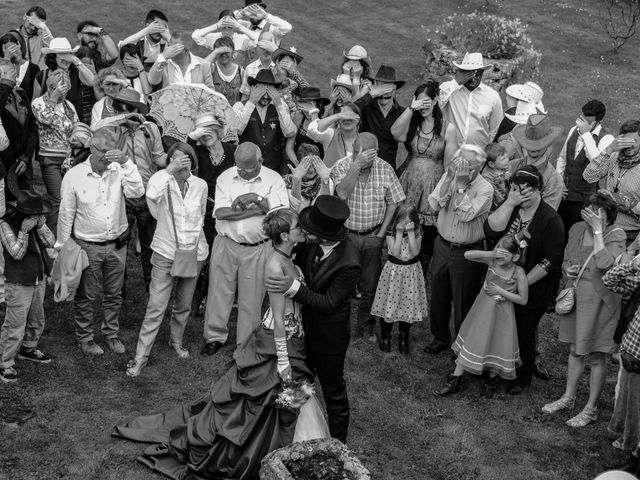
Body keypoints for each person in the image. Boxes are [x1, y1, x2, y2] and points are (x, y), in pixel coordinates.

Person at [114, 208, 329, 479]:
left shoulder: (287, 255)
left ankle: (299, 447)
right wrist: (284, 362)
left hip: (293, 335)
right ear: (285, 235)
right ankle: (278, 448)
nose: (304, 229)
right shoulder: (275, 265)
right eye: (299, 225)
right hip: (278, 340)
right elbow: (276, 317)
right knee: (272, 395)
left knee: (290, 396)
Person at [266, 195, 361, 443]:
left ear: (325, 235)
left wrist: (293, 287)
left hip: (329, 338)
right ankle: (293, 434)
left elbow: (328, 303)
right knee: (298, 384)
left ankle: (339, 444)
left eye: (310, 230)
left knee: (334, 393)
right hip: (300, 333)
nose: (305, 232)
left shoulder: (350, 262)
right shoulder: (309, 244)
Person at [56, 127, 144, 356]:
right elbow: (66, 214)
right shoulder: (74, 176)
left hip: (117, 244)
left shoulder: (119, 169)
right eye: (104, 151)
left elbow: (137, 191)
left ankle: (110, 334)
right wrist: (62, 248)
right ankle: (85, 338)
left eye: (112, 151)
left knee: (114, 294)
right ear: (92, 148)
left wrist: (126, 162)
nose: (108, 156)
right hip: (88, 246)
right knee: (87, 295)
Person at [126, 143, 208, 377]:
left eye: (186, 159)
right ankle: (141, 356)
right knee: (156, 307)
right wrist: (169, 170)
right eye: (176, 159)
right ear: (169, 161)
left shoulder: (200, 185)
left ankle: (176, 341)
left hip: (194, 253)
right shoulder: (161, 181)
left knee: (183, 305)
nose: (182, 163)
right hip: (165, 253)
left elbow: (201, 216)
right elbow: (150, 195)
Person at [542, 193, 625, 426]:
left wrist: (598, 231)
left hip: (600, 301)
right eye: (590, 210)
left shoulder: (615, 234)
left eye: (599, 212)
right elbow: (567, 259)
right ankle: (568, 397)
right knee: (574, 350)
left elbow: (605, 264)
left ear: (608, 216)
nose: (593, 215)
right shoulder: (577, 228)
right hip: (577, 295)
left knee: (598, 355)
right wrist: (568, 269)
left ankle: (591, 409)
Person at [201, 142, 288, 356]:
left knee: (252, 296)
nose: (244, 173)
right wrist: (258, 210)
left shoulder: (273, 179)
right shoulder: (226, 177)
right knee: (219, 292)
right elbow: (221, 213)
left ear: (260, 160)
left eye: (249, 169)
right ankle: (214, 336)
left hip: (258, 247)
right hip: (226, 243)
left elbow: (281, 213)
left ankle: (246, 341)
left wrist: (256, 199)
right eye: (240, 168)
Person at [484, 165, 565, 395]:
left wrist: (521, 284)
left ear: (538, 189)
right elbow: (490, 231)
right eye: (515, 190)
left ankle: (523, 375)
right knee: (501, 325)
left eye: (525, 190)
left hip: (533, 286)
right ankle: (497, 366)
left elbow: (550, 261)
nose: (520, 194)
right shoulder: (511, 207)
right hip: (502, 279)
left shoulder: (551, 220)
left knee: (523, 329)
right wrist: (509, 202)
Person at [434, 230, 529, 397]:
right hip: (482, 309)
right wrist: (491, 253)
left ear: (515, 257)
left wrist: (502, 292)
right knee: (473, 338)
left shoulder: (518, 272)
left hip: (502, 314)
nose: (499, 258)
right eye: (497, 254)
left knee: (497, 342)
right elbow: (468, 255)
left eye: (504, 255)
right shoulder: (493, 261)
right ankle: (456, 378)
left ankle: (491, 380)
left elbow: (523, 299)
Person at [331, 132, 405, 341]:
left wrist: (382, 231)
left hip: (373, 235)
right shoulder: (343, 165)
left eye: (366, 155)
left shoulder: (385, 168)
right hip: (348, 236)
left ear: (376, 153)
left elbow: (395, 200)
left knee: (370, 286)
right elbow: (342, 193)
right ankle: (340, 324)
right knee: (342, 284)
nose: (360, 157)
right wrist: (355, 166)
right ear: (353, 149)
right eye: (356, 152)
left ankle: (366, 325)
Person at [425, 144, 493, 354]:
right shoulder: (451, 175)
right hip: (443, 246)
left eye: (468, 164)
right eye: (459, 162)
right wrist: (448, 179)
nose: (462, 167)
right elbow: (434, 205)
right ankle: (440, 338)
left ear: (480, 166)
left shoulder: (485, 189)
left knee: (464, 301)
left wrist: (461, 187)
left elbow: (465, 215)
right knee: (438, 295)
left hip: (467, 252)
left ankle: (462, 345)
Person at [0, 191, 55, 384]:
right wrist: (23, 232)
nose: (39, 217)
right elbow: (16, 253)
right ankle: (5, 363)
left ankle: (28, 349)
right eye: (36, 215)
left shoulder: (37, 223)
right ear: (23, 214)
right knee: (15, 324)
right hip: (18, 281)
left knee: (37, 318)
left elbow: (51, 242)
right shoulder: (5, 225)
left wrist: (40, 227)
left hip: (38, 278)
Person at [392, 80, 445, 275]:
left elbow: (448, 164)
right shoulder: (413, 123)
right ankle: (402, 263)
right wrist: (410, 108)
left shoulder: (447, 127)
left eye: (426, 102)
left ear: (435, 100)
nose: (423, 106)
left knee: (428, 231)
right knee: (407, 222)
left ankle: (422, 269)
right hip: (410, 182)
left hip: (433, 184)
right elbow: (396, 134)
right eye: (419, 101)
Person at [371, 203, 428, 354]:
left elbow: (415, 252)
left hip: (411, 272)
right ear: (396, 221)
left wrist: (410, 234)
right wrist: (398, 233)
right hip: (394, 273)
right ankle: (386, 336)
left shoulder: (417, 232)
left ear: (415, 222)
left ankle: (404, 338)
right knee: (389, 303)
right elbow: (395, 252)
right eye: (403, 222)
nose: (406, 225)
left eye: (410, 222)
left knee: (407, 304)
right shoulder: (390, 233)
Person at [602, 257, 640, 476]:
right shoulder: (638, 280)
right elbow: (609, 280)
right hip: (631, 357)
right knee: (632, 412)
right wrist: (632, 266)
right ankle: (634, 459)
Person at [555, 100, 615, 237]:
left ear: (597, 122)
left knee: (576, 235)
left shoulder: (607, 139)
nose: (582, 124)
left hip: (584, 200)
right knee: (558, 232)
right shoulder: (573, 130)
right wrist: (559, 180)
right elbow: (562, 158)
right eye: (582, 119)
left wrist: (587, 135)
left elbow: (597, 163)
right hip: (563, 196)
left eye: (587, 122)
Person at [31, 69, 78, 232]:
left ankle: (67, 235)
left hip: (68, 159)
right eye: (60, 90)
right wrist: (52, 99)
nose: (63, 94)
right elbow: (45, 118)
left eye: (66, 90)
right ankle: (51, 239)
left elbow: (76, 126)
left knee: (69, 199)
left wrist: (78, 137)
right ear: (50, 87)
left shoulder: (69, 106)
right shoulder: (39, 103)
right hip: (50, 159)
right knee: (57, 200)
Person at [583, 120, 640, 244]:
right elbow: (589, 176)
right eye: (625, 141)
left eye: (633, 141)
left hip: (630, 235)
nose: (628, 146)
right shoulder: (613, 156)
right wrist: (608, 150)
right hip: (605, 229)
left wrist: (616, 199)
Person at [187, 113, 236, 247]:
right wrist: (191, 138)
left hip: (229, 206)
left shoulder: (233, 150)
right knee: (207, 245)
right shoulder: (197, 152)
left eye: (209, 130)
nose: (206, 135)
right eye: (202, 132)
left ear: (217, 130)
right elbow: (184, 155)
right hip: (206, 207)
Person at [234, 69, 296, 174]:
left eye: (270, 91)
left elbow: (289, 133)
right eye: (262, 90)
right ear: (253, 88)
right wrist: (251, 102)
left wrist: (279, 105)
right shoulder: (240, 106)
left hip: (273, 166)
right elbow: (237, 131)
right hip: (248, 166)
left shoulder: (281, 106)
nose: (266, 96)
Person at [439, 52, 503, 150]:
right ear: (462, 72)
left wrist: (485, 153)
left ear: (482, 73)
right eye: (469, 74)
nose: (473, 78)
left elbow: (495, 130)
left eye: (477, 74)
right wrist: (456, 82)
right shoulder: (450, 90)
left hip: (478, 155)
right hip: (450, 151)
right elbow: (436, 102)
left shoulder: (493, 97)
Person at [502, 113, 565, 210]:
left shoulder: (554, 180)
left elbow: (544, 218)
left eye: (539, 144)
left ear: (549, 144)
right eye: (530, 143)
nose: (533, 148)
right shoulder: (511, 165)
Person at [33, 37, 96, 125]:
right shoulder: (41, 76)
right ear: (53, 57)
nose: (66, 60)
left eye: (68, 55)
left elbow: (92, 82)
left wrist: (76, 60)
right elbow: (34, 104)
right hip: (49, 130)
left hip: (74, 129)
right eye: (62, 57)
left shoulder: (76, 72)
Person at [355, 65, 405, 169]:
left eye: (386, 88)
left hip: (387, 170)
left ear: (394, 89)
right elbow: (350, 111)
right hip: (363, 166)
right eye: (380, 88)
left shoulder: (401, 113)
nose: (382, 93)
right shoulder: (366, 107)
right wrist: (371, 94)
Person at [0, 59, 38, 185]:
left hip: (23, 159)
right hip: (4, 161)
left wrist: (26, 157)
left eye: (13, 73)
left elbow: (33, 126)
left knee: (26, 200)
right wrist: (5, 86)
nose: (13, 77)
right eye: (7, 74)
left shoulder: (20, 93)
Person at [147, 31, 214, 90]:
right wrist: (163, 57)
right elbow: (152, 81)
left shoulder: (204, 65)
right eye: (169, 45)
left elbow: (210, 92)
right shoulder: (164, 63)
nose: (170, 50)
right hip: (170, 103)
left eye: (175, 47)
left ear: (186, 49)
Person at [192, 9, 260, 67]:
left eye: (230, 27)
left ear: (234, 26)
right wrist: (216, 25)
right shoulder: (214, 38)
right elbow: (195, 36)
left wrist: (239, 26)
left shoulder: (242, 39)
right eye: (224, 27)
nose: (227, 31)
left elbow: (258, 39)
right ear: (220, 26)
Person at [307, 102, 361, 168]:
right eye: (343, 115)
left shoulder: (365, 141)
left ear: (358, 119)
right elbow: (312, 130)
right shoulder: (331, 135)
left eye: (350, 115)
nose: (346, 119)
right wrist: (338, 116)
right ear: (338, 120)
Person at [285, 86, 329, 164]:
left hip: (318, 165)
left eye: (310, 104)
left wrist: (313, 114)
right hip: (298, 162)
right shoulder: (299, 116)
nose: (306, 109)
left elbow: (319, 135)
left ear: (318, 105)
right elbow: (289, 147)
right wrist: (298, 165)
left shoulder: (325, 120)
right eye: (304, 104)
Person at [284, 145, 333, 212]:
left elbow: (324, 207)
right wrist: (297, 180)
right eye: (307, 164)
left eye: (314, 164)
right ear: (298, 163)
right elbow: (294, 210)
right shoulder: (287, 182)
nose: (311, 170)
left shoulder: (326, 179)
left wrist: (325, 181)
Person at [0, 31, 40, 101]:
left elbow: (36, 95)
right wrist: (7, 59)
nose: (14, 53)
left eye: (15, 49)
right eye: (10, 51)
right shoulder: (2, 68)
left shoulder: (33, 68)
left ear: (19, 44)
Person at [238, 30, 277, 100]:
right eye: (263, 46)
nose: (266, 50)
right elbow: (245, 95)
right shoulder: (250, 68)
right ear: (257, 47)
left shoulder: (279, 68)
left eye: (268, 46)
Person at [206, 36, 244, 105]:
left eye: (226, 51)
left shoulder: (241, 71)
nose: (223, 54)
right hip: (215, 112)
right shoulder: (212, 68)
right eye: (220, 51)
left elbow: (245, 95)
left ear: (233, 53)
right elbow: (201, 67)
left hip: (235, 113)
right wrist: (215, 52)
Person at [482, 143, 509, 209]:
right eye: (503, 159)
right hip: (497, 203)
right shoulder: (487, 177)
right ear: (491, 164)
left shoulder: (504, 166)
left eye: (506, 157)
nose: (506, 160)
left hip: (507, 194)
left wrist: (508, 178)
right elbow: (496, 194)